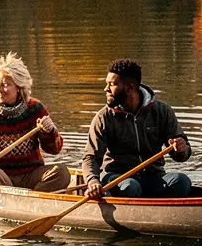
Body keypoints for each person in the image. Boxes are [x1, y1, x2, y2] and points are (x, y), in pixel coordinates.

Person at [82, 59, 192, 199]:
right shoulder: (104, 117)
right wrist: (92, 181)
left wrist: (181, 149)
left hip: (153, 177)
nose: (106, 89)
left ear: (129, 88)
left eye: (112, 84)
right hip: (117, 178)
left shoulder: (162, 111)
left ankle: (154, 209)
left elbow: (184, 153)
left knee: (182, 182)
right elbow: (90, 157)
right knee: (131, 187)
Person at [0, 52, 70, 192]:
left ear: (19, 87)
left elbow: (54, 150)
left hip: (30, 175)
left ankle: (33, 200)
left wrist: (49, 132)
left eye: (5, 85)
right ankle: (23, 201)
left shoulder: (36, 109)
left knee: (62, 172)